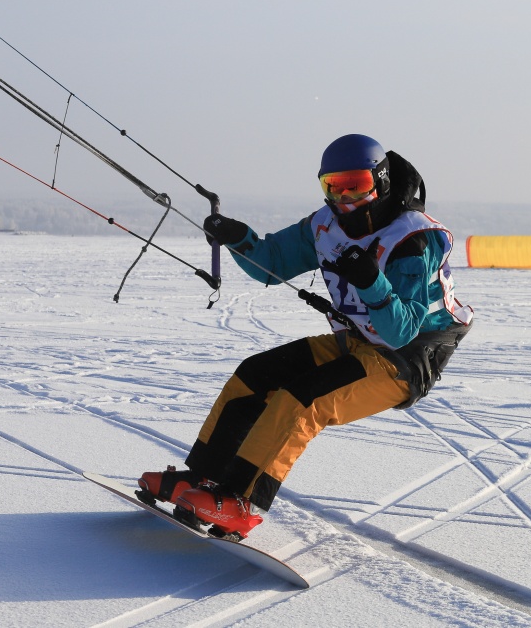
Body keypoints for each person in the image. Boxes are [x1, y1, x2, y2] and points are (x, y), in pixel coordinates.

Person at [137, 134, 474, 540]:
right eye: (334, 186)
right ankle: (202, 480)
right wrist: (237, 238)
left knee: (304, 398)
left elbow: (400, 331)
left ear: (380, 181)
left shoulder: (412, 240)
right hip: (359, 343)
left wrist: (371, 281)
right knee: (256, 374)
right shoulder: (325, 225)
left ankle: (241, 503)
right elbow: (270, 263)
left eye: (357, 185)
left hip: (406, 359)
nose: (346, 198)